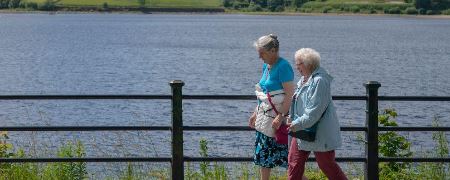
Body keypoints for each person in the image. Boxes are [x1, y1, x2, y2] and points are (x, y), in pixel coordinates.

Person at [287, 48, 347, 180]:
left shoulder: (320, 81)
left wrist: (296, 123)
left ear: (308, 63)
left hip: (320, 132)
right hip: (302, 129)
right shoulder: (304, 79)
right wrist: (292, 119)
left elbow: (315, 110)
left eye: (298, 64)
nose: (296, 67)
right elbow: (299, 104)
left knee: (327, 165)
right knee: (294, 164)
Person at [248, 34, 295, 180]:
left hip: (277, 121)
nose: (259, 57)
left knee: (288, 162)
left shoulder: (284, 66)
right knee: (264, 158)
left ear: (273, 50)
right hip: (265, 119)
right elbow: (264, 92)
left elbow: (290, 94)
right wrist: (255, 112)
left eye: (262, 53)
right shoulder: (266, 66)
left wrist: (281, 116)